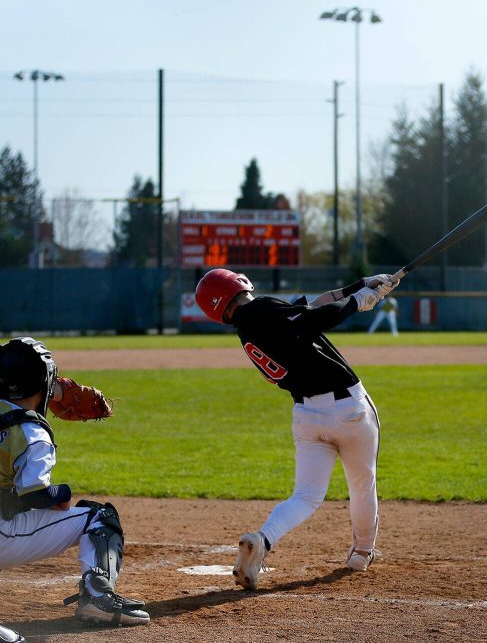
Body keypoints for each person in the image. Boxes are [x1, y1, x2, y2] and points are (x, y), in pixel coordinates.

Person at [194, 268, 399, 590]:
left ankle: (262, 538)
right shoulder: (261, 308)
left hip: (307, 414)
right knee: (362, 485)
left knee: (305, 496)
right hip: (348, 409)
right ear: (238, 283)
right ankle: (362, 552)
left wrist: (361, 286)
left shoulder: (248, 326)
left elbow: (308, 307)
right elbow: (313, 320)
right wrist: (358, 301)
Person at [0, 337, 149, 628]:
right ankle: (97, 597)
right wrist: (62, 494)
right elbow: (35, 493)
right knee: (98, 516)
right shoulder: (32, 432)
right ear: (43, 383)